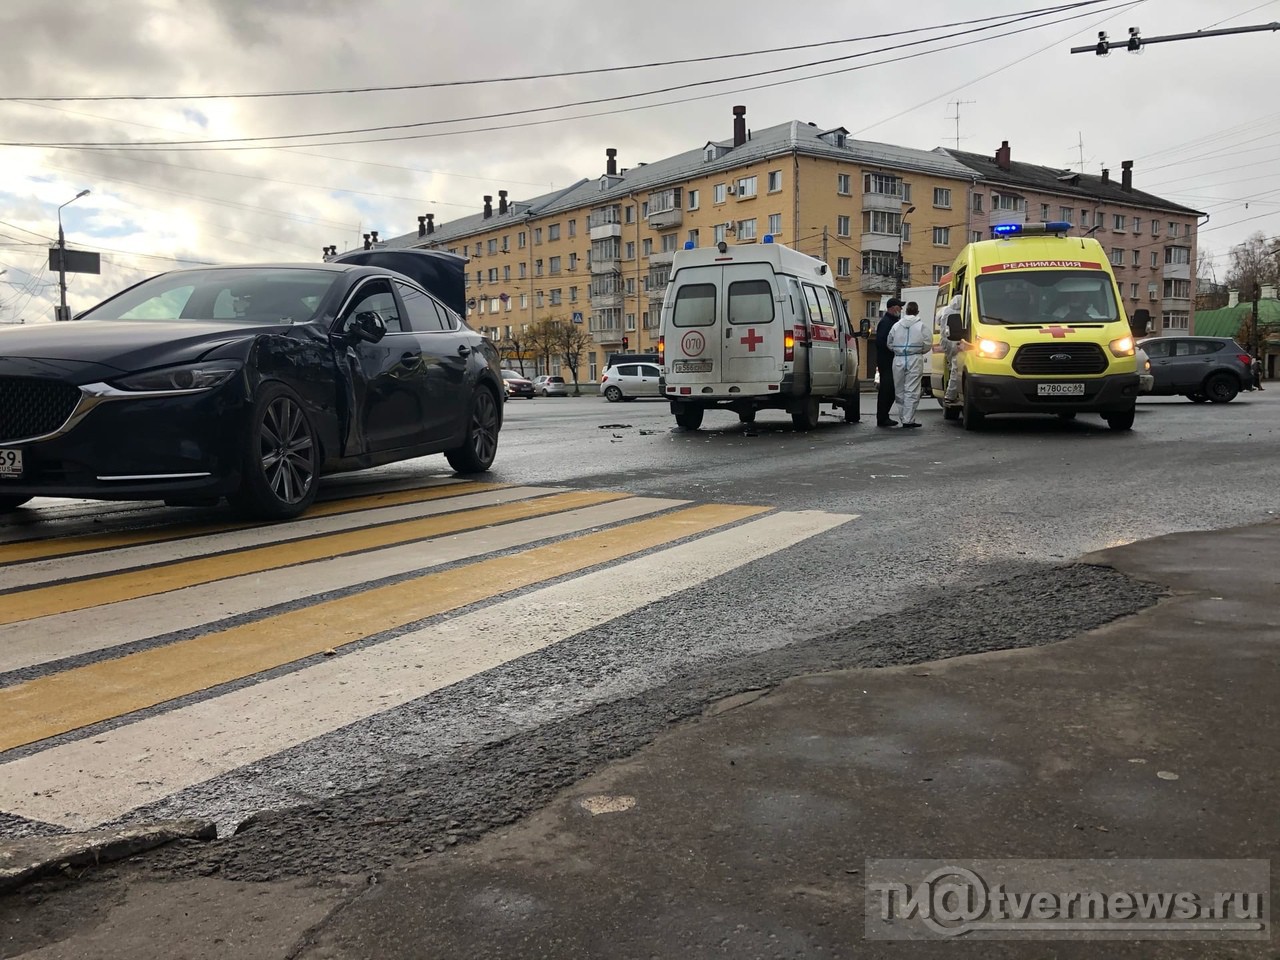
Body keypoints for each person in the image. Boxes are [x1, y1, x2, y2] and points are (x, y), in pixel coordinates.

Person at [889, 301, 930, 428]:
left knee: (899, 389)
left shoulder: (896, 326)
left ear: (905, 311)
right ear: (917, 312)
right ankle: (908, 419)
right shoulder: (921, 326)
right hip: (914, 358)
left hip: (899, 359)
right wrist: (918, 351)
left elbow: (889, 342)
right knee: (912, 389)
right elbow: (927, 343)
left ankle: (903, 417)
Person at [875, 298, 903, 426]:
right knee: (887, 389)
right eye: (899, 307)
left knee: (890, 389)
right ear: (893, 308)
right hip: (886, 361)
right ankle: (882, 417)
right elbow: (882, 342)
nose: (901, 309)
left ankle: (884, 416)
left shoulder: (893, 321)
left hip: (889, 360)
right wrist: (894, 350)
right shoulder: (886, 322)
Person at [938, 293, 964, 404]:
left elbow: (938, 322)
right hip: (959, 341)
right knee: (955, 368)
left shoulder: (944, 310)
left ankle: (951, 394)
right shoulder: (965, 310)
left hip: (946, 341)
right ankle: (951, 394)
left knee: (952, 366)